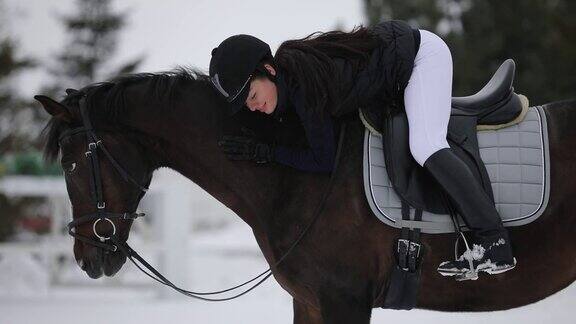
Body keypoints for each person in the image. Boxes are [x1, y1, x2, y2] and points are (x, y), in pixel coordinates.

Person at [209, 20, 516, 279]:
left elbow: (323, 160)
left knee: (426, 145)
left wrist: (267, 153)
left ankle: (493, 241)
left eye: (252, 94)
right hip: (402, 61)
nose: (254, 106)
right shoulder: (292, 78)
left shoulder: (304, 86)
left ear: (268, 70)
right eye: (247, 105)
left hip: (423, 57)